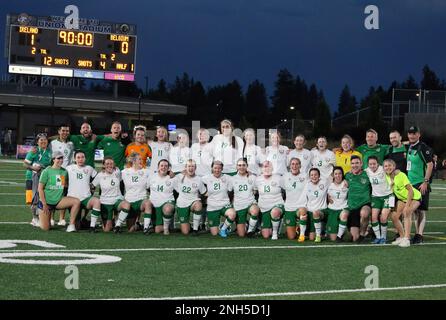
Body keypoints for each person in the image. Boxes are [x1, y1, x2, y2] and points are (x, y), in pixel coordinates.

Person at [37, 151, 81, 232]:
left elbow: (66, 185)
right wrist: (44, 204)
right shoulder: (46, 171)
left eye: (62, 158)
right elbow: (40, 189)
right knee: (46, 228)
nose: (60, 160)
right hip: (46, 202)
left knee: (76, 202)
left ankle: (71, 225)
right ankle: (42, 217)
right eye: (58, 158)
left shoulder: (64, 171)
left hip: (58, 201)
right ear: (53, 159)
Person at [384, 159, 421, 248]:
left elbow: (410, 191)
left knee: (406, 212)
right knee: (394, 216)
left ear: (394, 166)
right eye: (385, 166)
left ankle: (407, 239)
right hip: (402, 198)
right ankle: (401, 236)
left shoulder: (401, 175)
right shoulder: (387, 176)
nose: (388, 167)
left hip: (414, 197)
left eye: (390, 165)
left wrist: (407, 205)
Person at [406, 126, 434, 244]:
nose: (412, 136)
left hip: (420, 183)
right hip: (410, 184)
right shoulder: (410, 146)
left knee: (420, 210)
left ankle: (419, 235)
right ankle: (415, 234)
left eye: (414, 133)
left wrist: (425, 182)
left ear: (419, 134)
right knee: (413, 210)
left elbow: (430, 164)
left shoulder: (423, 147)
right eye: (410, 133)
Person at [91, 157, 131, 232]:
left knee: (126, 205)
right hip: (105, 202)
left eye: (111, 164)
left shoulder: (117, 172)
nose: (109, 165)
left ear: (114, 165)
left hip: (117, 200)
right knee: (107, 230)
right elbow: (92, 186)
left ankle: (118, 225)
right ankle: (111, 220)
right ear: (103, 165)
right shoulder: (100, 175)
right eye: (107, 164)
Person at [115, 152, 151, 233]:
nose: (142, 160)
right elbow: (114, 180)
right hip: (129, 202)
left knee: (148, 203)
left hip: (141, 202)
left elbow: (149, 186)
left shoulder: (147, 172)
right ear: (134, 161)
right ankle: (118, 225)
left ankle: (146, 228)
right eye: (140, 159)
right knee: (131, 230)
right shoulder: (124, 172)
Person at [65, 150, 101, 232]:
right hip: (73, 200)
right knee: (77, 227)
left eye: (82, 157)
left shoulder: (89, 168)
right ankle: (81, 222)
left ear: (85, 158)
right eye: (78, 157)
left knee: (97, 201)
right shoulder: (69, 168)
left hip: (86, 199)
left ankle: (92, 227)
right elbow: (62, 178)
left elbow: (99, 176)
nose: (80, 159)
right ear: (74, 159)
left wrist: (93, 185)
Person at [23, 133, 52, 227]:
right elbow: (25, 164)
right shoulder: (34, 151)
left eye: (45, 140)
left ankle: (40, 217)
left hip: (44, 179)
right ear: (37, 142)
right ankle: (34, 218)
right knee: (33, 199)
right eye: (41, 140)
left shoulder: (49, 152)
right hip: (31, 177)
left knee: (42, 198)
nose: (43, 141)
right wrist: (33, 168)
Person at [202, 161, 237, 237]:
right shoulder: (206, 178)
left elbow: (237, 180)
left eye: (219, 168)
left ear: (222, 169)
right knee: (214, 233)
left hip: (224, 204)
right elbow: (196, 181)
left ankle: (223, 229)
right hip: (212, 207)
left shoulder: (228, 178)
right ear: (212, 168)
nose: (217, 170)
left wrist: (248, 173)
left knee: (232, 214)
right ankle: (221, 226)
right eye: (215, 168)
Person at [50, 124, 74, 227]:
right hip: (55, 172)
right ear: (59, 131)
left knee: (63, 195)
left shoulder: (71, 144)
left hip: (65, 173)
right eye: (63, 130)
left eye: (67, 131)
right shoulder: (52, 143)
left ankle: (62, 218)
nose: (65, 133)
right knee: (53, 194)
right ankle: (51, 218)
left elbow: (71, 158)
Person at [365, 156, 393, 244]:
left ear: (378, 164)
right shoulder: (367, 171)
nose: (372, 166)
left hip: (388, 196)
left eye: (374, 164)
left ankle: (384, 238)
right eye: (370, 164)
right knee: (373, 218)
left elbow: (393, 170)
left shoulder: (383, 169)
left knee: (383, 218)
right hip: (375, 197)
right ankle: (378, 237)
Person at [174, 159, 206, 235]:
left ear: (195, 168)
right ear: (185, 167)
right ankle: (189, 226)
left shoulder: (199, 179)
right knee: (185, 232)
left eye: (193, 166)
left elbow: (204, 192)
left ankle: (195, 229)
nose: (191, 168)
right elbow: (170, 177)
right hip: (182, 203)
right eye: (189, 166)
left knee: (198, 204)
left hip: (193, 202)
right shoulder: (179, 177)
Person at [344, 155, 372, 242]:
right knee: (354, 238)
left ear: (361, 164)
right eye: (352, 163)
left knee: (364, 213)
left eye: (357, 163)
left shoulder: (367, 174)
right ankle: (368, 231)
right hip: (352, 206)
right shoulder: (347, 175)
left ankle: (363, 234)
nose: (354, 165)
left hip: (364, 203)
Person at [254, 161, 284, 240]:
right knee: (266, 235)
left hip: (277, 204)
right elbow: (254, 192)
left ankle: (275, 233)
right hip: (264, 207)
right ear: (261, 169)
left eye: (268, 166)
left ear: (272, 168)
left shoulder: (279, 178)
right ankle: (274, 222)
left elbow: (287, 190)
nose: (266, 168)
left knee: (275, 212)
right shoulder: (257, 179)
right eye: (264, 166)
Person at [297, 168, 328, 243]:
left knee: (315, 213)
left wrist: (345, 181)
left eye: (316, 175)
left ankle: (318, 235)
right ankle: (302, 234)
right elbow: (303, 199)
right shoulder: (307, 185)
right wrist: (303, 211)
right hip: (310, 211)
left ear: (319, 176)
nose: (314, 177)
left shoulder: (325, 182)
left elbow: (335, 182)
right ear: (309, 176)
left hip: (321, 210)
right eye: (312, 175)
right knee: (302, 210)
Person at [230, 158, 260, 237]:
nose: (241, 167)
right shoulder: (232, 179)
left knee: (255, 210)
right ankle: (246, 224)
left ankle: (250, 231)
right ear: (236, 167)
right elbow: (230, 192)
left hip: (250, 203)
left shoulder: (252, 177)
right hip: (238, 206)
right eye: (239, 165)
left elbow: (255, 191)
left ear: (247, 166)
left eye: (244, 165)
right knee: (241, 234)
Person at [147, 159, 176, 235]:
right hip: (155, 204)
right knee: (157, 230)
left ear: (169, 168)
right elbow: (147, 188)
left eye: (166, 166)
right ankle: (163, 225)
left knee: (168, 208)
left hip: (167, 202)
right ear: (158, 167)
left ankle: (166, 229)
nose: (163, 167)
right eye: (162, 166)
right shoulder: (151, 177)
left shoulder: (173, 178)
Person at [281, 157, 307, 240]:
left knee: (303, 211)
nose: (294, 166)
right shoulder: (285, 176)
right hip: (289, 207)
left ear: (300, 166)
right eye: (292, 164)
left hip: (301, 205)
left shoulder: (306, 176)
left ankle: (302, 234)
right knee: (291, 237)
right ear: (289, 166)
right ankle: (296, 227)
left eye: (297, 164)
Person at [326, 167, 349, 242]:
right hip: (332, 210)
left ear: (342, 175)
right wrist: (328, 198)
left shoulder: (346, 184)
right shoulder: (329, 185)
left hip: (343, 208)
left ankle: (339, 236)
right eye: (336, 174)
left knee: (344, 214)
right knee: (332, 238)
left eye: (340, 173)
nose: (338, 175)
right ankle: (341, 231)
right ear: (333, 175)